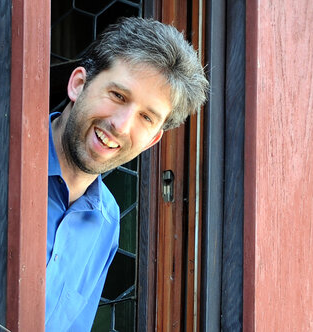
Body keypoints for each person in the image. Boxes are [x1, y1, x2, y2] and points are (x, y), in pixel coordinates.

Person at [45, 17, 208, 330]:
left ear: (153, 139)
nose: (121, 125)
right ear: (79, 83)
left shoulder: (107, 222)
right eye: (118, 96)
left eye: (146, 117)